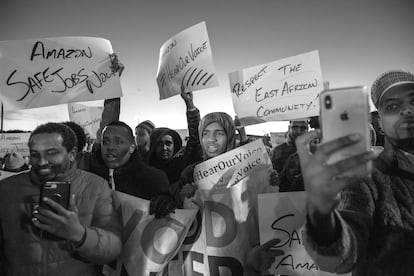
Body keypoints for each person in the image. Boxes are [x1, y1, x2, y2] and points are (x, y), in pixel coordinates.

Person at [297, 70, 414, 275]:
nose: (407, 111)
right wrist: (321, 213)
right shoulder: (366, 178)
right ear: (380, 124)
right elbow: (343, 255)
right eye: (393, 106)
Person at [0, 122, 122, 275]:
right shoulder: (6, 189)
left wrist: (79, 234)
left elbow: (113, 249)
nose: (42, 162)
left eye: (51, 153)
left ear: (71, 154)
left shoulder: (96, 187)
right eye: (35, 154)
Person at [174, 112, 283, 275]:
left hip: (246, 258)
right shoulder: (191, 173)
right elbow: (178, 216)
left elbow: (265, 210)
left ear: (230, 136)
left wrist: (269, 182)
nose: (212, 139)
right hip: (208, 261)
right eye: (205, 133)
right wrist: (181, 196)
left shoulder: (251, 167)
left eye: (219, 133)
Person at [79, 120, 176, 218]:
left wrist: (165, 202)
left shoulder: (153, 178)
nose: (110, 147)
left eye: (118, 142)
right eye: (106, 142)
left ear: (132, 147)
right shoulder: (88, 180)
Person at [148, 86, 202, 184]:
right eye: (160, 144)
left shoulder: (181, 165)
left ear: (174, 146)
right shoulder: (145, 168)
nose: (164, 148)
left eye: (168, 143)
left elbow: (195, 140)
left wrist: (189, 104)